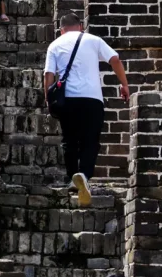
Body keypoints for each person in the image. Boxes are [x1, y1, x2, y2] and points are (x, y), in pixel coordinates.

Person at [43, 14, 129, 206]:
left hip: (68, 100)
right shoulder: (94, 40)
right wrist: (124, 85)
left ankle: (73, 177)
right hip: (92, 99)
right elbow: (115, 58)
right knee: (91, 140)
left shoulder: (55, 45)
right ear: (80, 25)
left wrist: (48, 99)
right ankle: (85, 174)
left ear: (61, 29)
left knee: (70, 140)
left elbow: (48, 74)